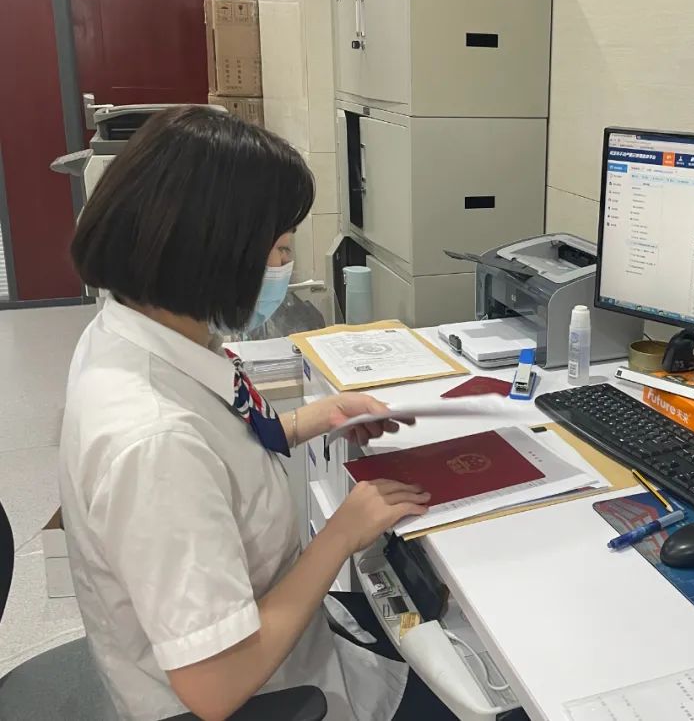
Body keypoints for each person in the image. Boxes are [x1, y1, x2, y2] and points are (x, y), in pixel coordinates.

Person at [59, 107, 449, 721]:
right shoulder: (155, 441)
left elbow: (219, 455)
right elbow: (215, 688)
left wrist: (309, 420)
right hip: (262, 689)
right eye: (279, 249)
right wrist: (340, 535)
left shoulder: (136, 328)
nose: (285, 269)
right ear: (212, 253)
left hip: (288, 635)